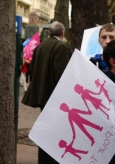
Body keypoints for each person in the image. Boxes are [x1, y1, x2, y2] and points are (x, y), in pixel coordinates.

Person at [22, 21, 71, 164]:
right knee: (55, 131)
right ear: (62, 33)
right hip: (55, 97)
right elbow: (62, 74)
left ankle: (44, 159)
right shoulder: (60, 46)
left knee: (47, 129)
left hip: (42, 95)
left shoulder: (40, 47)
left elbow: (32, 71)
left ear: (49, 32)